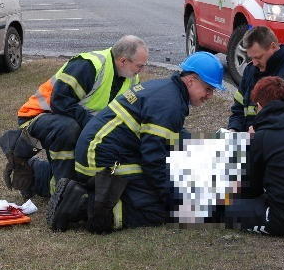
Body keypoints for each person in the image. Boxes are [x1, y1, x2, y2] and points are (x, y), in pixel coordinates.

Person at [46, 51, 224, 234]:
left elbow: (170, 137)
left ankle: (74, 188)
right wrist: (171, 196)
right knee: (158, 208)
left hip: (101, 151)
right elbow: (154, 159)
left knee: (167, 181)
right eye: (208, 89)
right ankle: (83, 205)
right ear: (191, 80)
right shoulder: (170, 104)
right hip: (100, 160)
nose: (210, 95)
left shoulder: (168, 91)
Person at [15, 36, 149, 197]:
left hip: (73, 122)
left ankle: (38, 176)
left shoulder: (131, 78)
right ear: (123, 61)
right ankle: (64, 193)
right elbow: (60, 101)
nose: (141, 71)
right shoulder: (90, 65)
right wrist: (94, 125)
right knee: (69, 130)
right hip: (37, 116)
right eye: (139, 66)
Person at [223, 76, 284, 237]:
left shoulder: (263, 137)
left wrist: (250, 146)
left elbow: (251, 189)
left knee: (226, 208)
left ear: (259, 106)